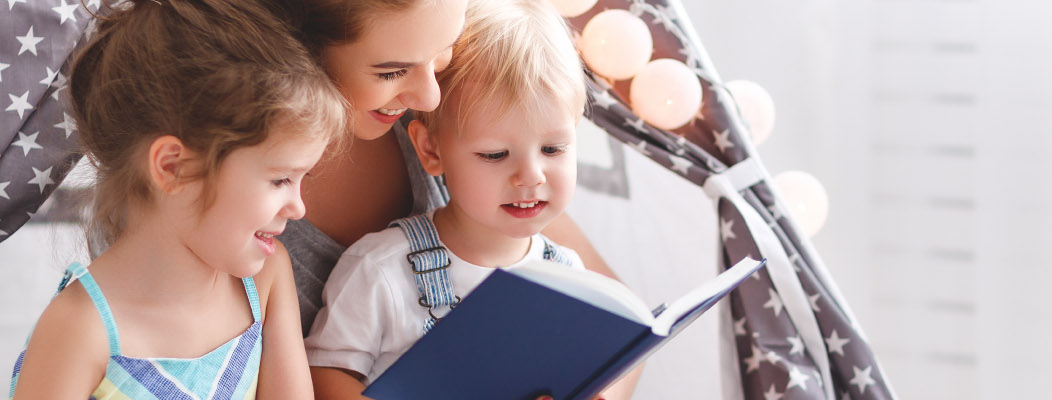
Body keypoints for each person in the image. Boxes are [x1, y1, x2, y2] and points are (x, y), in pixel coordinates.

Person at [6, 0, 347, 397]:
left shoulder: (267, 279)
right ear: (173, 168)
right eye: (280, 180)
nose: (298, 206)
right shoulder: (79, 329)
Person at [302, 1, 638, 397]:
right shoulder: (380, 268)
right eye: (494, 155)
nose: (531, 176)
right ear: (431, 151)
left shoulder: (568, 273)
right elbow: (323, 378)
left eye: (554, 149)